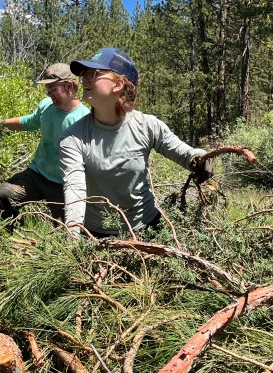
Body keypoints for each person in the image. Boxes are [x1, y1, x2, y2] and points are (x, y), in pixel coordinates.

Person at [60, 47, 212, 238]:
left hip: (146, 228)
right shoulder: (73, 137)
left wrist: (201, 159)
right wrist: (73, 235)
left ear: (118, 84)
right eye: (84, 74)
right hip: (97, 234)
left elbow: (182, 152)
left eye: (93, 73)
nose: (84, 79)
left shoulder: (147, 126)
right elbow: (75, 190)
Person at [0, 63, 89, 223]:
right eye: (47, 89)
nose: (49, 93)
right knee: (2, 196)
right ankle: (3, 239)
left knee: (66, 230)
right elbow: (28, 122)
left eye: (53, 88)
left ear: (69, 86)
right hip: (37, 174)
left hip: (63, 184)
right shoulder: (46, 106)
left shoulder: (84, 119)